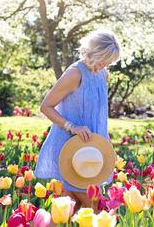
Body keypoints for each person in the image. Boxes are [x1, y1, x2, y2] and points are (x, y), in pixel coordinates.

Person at [34, 29, 120, 213]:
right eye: (104, 59)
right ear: (94, 53)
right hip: (72, 150)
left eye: (109, 62)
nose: (106, 64)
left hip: (92, 150)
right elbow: (46, 106)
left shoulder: (103, 74)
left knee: (69, 208)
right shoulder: (75, 74)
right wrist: (72, 127)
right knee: (92, 207)